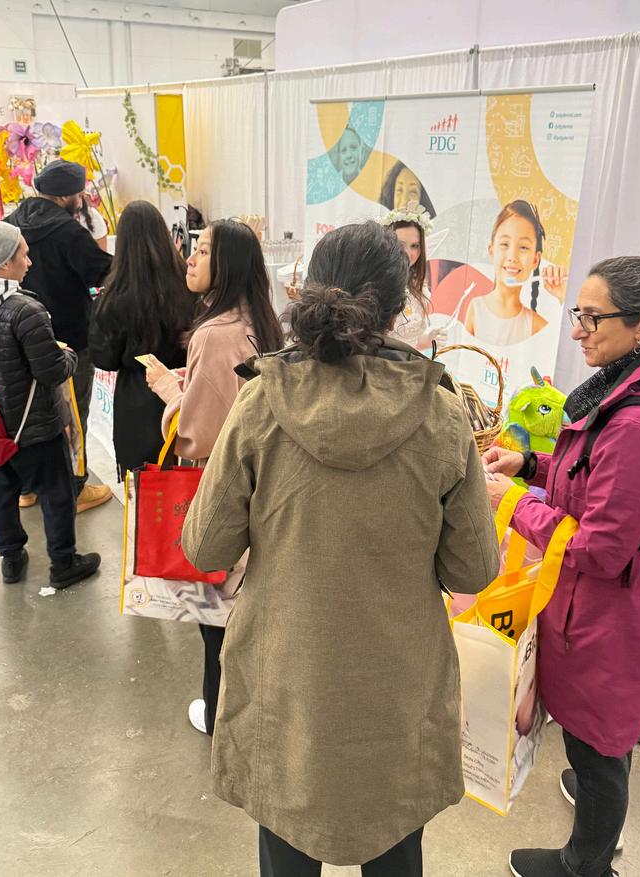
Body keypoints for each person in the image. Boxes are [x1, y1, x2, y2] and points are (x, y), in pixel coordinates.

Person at [180, 221, 498, 875]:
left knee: (286, 837)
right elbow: (472, 568)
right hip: (398, 683)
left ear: (306, 290)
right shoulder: (441, 415)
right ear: (399, 305)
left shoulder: (261, 400)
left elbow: (206, 545)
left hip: (285, 673)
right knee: (395, 841)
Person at [483, 256, 640, 877]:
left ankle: (584, 864)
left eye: (592, 318)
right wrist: (530, 468)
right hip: (610, 608)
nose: (578, 330)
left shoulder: (638, 423)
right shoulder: (639, 392)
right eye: (578, 314)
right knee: (600, 740)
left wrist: (512, 504)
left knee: (601, 747)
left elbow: (601, 548)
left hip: (612, 615)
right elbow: (597, 486)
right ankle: (593, 805)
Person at [144, 218, 284, 737]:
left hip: (221, 486)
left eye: (203, 251)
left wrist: (168, 390)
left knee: (215, 618)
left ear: (226, 265)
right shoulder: (260, 321)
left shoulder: (212, 333)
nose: (191, 258)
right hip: (266, 485)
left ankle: (219, 716)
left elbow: (198, 435)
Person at [0, 221, 102, 589]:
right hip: (35, 424)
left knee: (2, 490)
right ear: (3, 262)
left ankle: (11, 558)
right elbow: (51, 372)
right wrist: (68, 354)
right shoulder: (24, 309)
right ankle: (63, 563)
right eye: (24, 254)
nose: (29, 262)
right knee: (57, 493)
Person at [5, 159, 112, 513]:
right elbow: (103, 273)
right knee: (72, 414)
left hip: (17, 335)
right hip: (68, 339)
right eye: (79, 193)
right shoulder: (69, 232)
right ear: (67, 196)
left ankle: (27, 488)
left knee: (26, 413)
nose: (81, 199)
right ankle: (75, 488)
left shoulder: (9, 223)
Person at [88, 201, 193, 475]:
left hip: (136, 396)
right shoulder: (188, 283)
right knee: (188, 479)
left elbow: (104, 359)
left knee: (145, 483)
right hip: (186, 388)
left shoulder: (114, 297)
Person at [465, 200, 567, 346]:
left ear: (535, 259)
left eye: (524, 247)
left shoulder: (538, 326)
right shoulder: (476, 308)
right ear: (491, 250)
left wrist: (564, 296)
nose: (512, 257)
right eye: (505, 244)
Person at [380, 202, 436, 352]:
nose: (408, 253)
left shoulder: (419, 287)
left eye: (415, 246)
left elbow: (411, 342)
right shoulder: (374, 283)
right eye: (401, 244)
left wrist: (427, 340)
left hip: (407, 362)